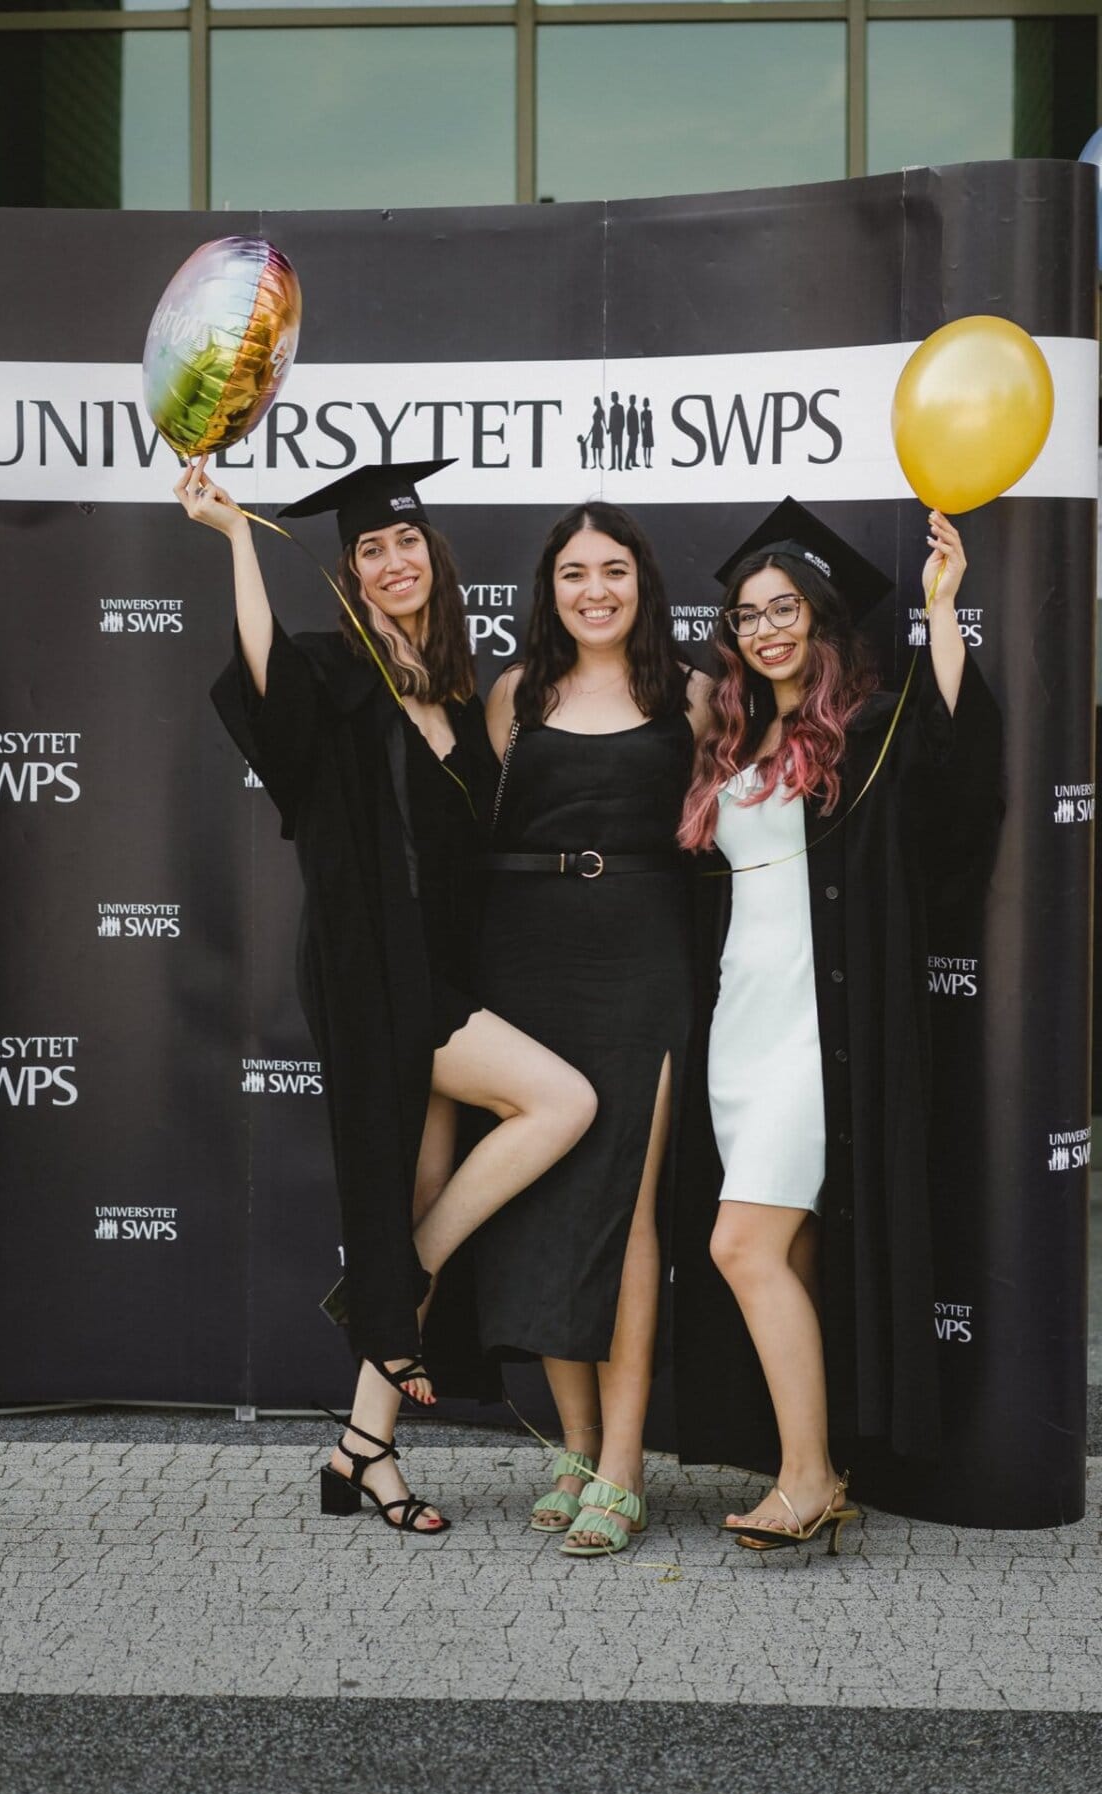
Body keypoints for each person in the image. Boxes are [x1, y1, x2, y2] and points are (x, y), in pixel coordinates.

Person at [180, 455, 596, 1536]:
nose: (393, 558)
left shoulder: (457, 691)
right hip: (372, 970)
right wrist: (235, 541)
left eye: (406, 541)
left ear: (433, 557)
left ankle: (361, 1450)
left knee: (420, 1203)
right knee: (561, 1102)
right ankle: (391, 1282)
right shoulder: (335, 673)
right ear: (353, 576)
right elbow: (266, 696)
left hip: (443, 969)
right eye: (371, 548)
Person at [675, 497, 1002, 1552]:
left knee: (743, 1245)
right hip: (741, 1027)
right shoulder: (734, 732)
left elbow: (959, 787)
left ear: (819, 619)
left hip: (819, 1034)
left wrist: (944, 612)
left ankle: (809, 1479)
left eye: (784, 609)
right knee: (792, 1257)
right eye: (746, 613)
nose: (765, 627)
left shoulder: (865, 727)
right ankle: (811, 1462)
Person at [476, 501, 709, 1557]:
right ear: (551, 589)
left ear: (642, 583)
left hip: (645, 957)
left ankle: (625, 1466)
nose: (595, 589)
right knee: (551, 1202)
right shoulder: (515, 695)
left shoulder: (694, 698)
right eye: (574, 573)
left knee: (628, 1204)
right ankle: (573, 1449)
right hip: (529, 961)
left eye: (613, 569)